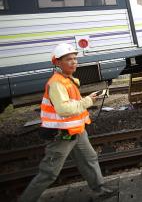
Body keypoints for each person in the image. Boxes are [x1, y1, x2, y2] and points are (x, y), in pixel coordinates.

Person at [19, 43, 117, 202]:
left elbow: (73, 103)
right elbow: (63, 109)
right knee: (49, 172)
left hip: (77, 131)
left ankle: (100, 190)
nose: (74, 62)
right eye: (69, 59)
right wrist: (88, 101)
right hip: (62, 134)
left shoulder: (68, 79)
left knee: (89, 159)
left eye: (75, 58)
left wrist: (89, 98)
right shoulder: (56, 83)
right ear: (57, 62)